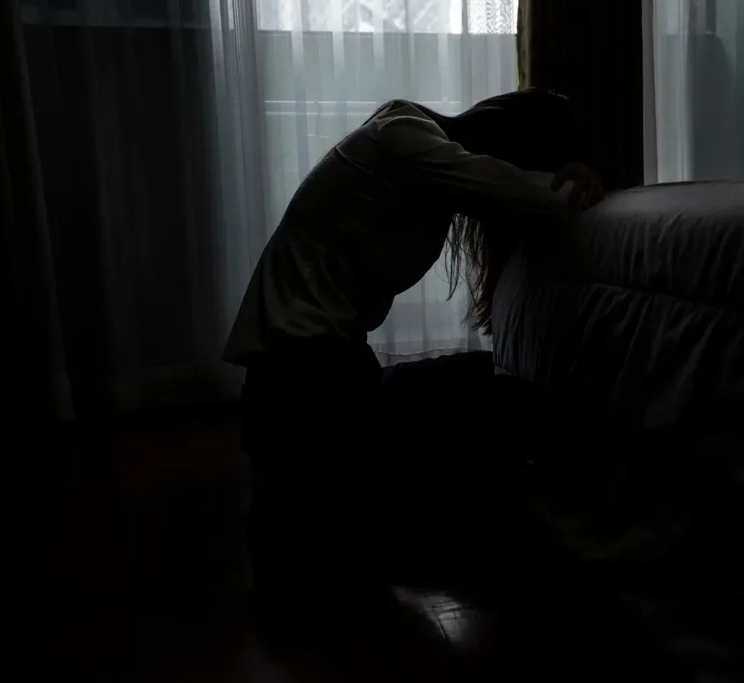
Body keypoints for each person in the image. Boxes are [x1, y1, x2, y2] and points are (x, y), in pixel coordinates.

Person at [225, 88, 604, 619]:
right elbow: (541, 197)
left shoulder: (408, 154)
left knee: (488, 384)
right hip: (309, 385)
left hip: (314, 380)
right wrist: (578, 181)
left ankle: (324, 496)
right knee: (510, 404)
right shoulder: (403, 136)